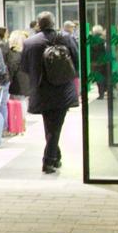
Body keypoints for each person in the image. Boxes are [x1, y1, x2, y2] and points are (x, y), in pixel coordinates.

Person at [18, 12, 83, 174]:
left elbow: (24, 68)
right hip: (62, 89)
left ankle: (55, 157)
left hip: (41, 90)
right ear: (54, 23)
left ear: (38, 24)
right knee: (56, 126)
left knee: (50, 125)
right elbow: (77, 61)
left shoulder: (30, 42)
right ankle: (48, 161)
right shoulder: (66, 38)